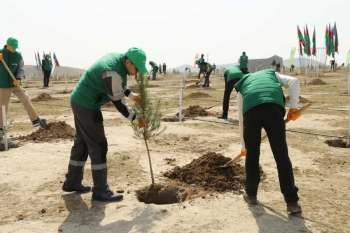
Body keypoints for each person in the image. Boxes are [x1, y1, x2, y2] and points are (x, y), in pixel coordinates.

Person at [62, 47, 148, 202]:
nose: (138, 72)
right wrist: (136, 120)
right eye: (137, 69)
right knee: (99, 145)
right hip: (87, 105)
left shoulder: (118, 60)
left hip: (79, 100)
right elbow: (119, 103)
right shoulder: (113, 72)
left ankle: (72, 182)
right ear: (128, 62)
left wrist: (131, 95)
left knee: (82, 143)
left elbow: (117, 85)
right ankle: (101, 191)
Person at [234, 69, 302, 213]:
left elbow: (241, 120)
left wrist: (244, 146)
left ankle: (251, 195)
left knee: (252, 155)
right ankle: (292, 202)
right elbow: (294, 82)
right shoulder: (272, 74)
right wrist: (293, 106)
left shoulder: (242, 85)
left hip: (251, 113)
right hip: (274, 110)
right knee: (281, 156)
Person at [0, 37, 41, 131]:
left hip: (15, 83)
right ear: (7, 44)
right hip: (3, 85)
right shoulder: (1, 53)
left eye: (15, 47)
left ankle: (35, 120)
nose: (14, 49)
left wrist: (18, 78)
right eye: (13, 47)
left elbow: (21, 69)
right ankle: (1, 126)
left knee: (25, 98)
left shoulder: (18, 56)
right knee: (3, 105)